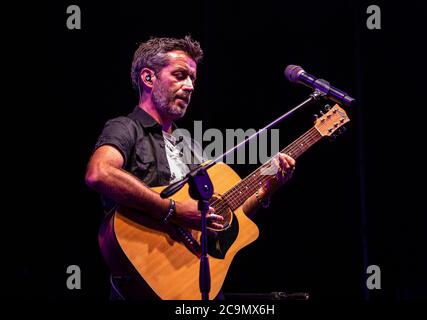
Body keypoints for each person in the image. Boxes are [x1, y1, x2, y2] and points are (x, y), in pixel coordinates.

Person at [85, 35, 296, 300]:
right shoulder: (126, 128)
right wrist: (172, 210)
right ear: (148, 79)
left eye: (193, 79)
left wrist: (266, 189)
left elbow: (222, 216)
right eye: (180, 75)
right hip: (146, 274)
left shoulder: (191, 145)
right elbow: (99, 173)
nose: (190, 87)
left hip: (192, 279)